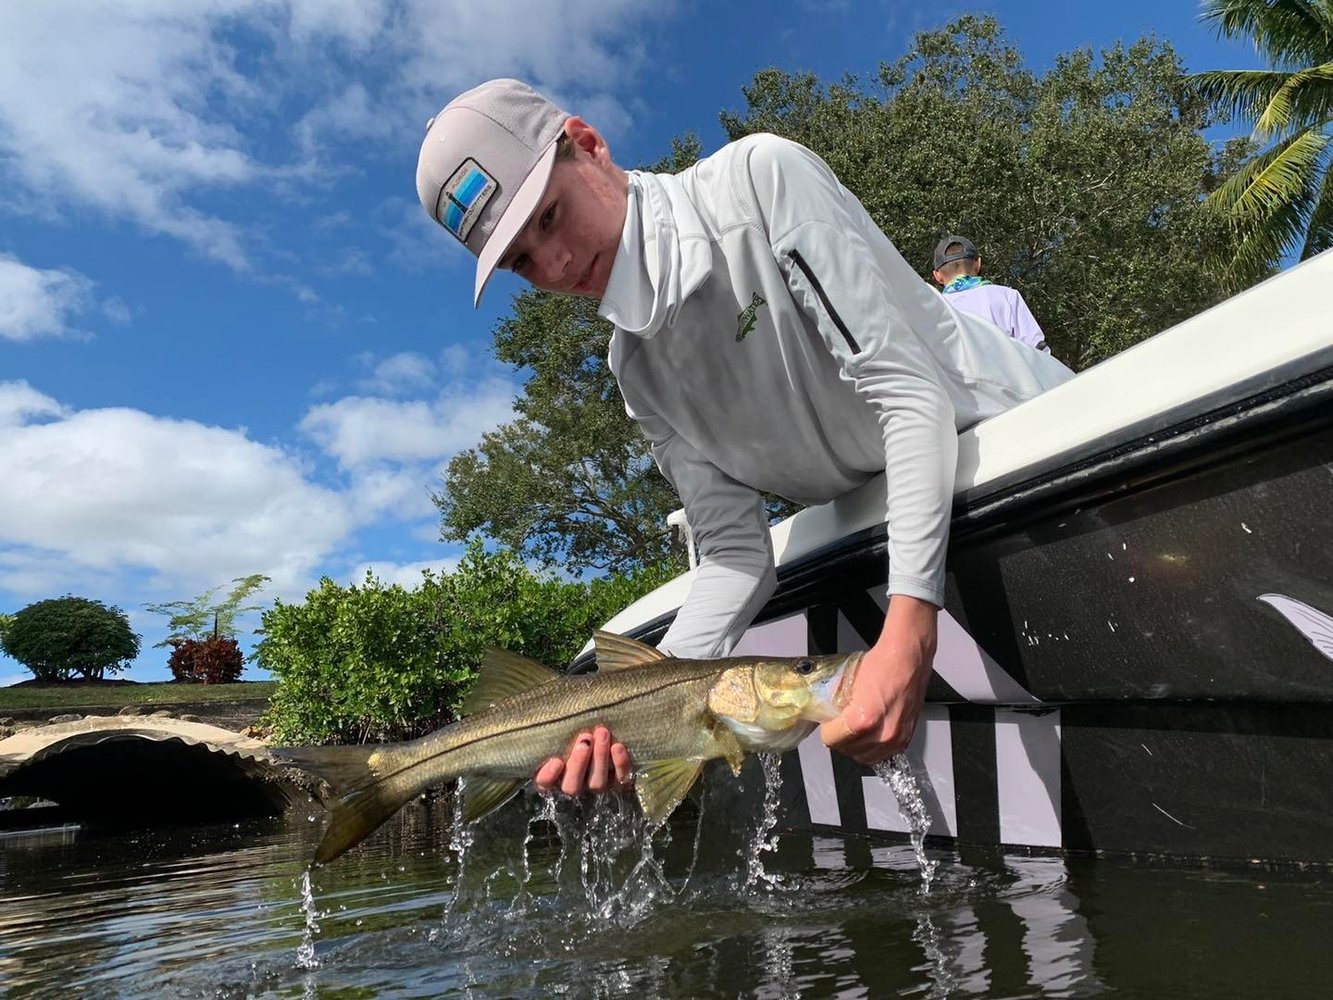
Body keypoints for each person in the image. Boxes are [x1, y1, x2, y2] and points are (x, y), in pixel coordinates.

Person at [416, 80, 1074, 796]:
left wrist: (909, 630)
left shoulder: (760, 178)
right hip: (894, 520)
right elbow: (733, 552)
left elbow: (907, 394)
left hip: (1027, 456)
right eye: (521, 262)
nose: (557, 264)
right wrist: (642, 708)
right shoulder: (632, 368)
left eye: (549, 216)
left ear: (590, 146)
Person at [931, 236, 1052, 355]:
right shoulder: (1007, 296)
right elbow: (1038, 350)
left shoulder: (932, 310)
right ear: (978, 264)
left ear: (937, 275)